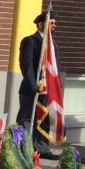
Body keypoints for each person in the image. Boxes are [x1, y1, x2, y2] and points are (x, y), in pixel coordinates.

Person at [17, 10, 60, 158]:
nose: (54, 26)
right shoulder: (30, 41)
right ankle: (24, 149)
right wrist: (32, 85)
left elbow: (55, 68)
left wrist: (57, 86)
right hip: (32, 89)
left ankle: (42, 149)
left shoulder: (52, 43)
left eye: (54, 23)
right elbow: (26, 65)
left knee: (46, 119)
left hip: (49, 90)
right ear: (41, 24)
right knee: (27, 119)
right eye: (51, 23)